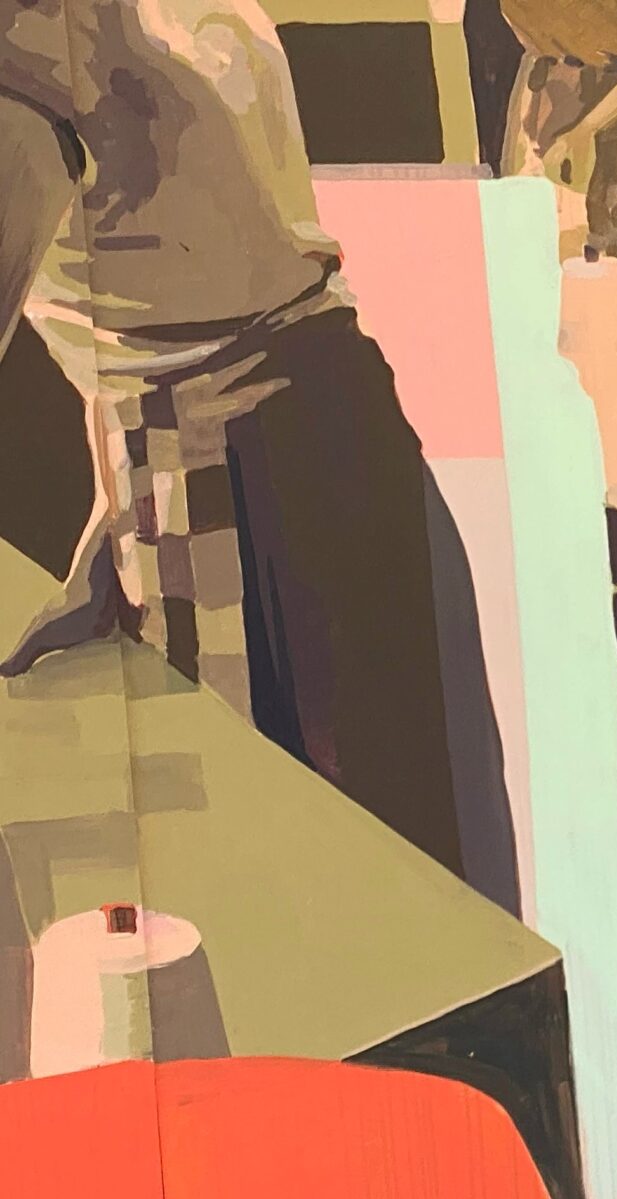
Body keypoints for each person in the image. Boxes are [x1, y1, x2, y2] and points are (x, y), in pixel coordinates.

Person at [0, 1, 515, 907]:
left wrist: (137, 497)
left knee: (293, 893)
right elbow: (174, 261)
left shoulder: (23, 51)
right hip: (346, 435)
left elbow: (174, 318)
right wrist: (114, 523)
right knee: (424, 877)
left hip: (239, 488)